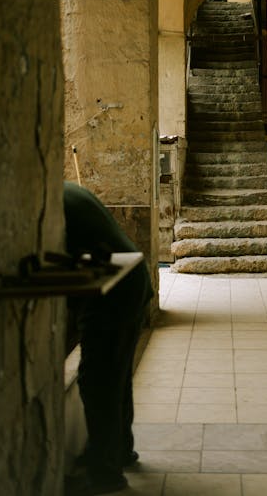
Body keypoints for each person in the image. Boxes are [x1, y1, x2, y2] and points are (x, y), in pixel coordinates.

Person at [63, 181, 153, 495]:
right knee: (117, 375)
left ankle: (105, 471)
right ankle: (120, 450)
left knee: (96, 379)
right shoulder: (69, 192)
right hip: (132, 279)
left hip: (112, 289)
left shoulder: (46, 207)